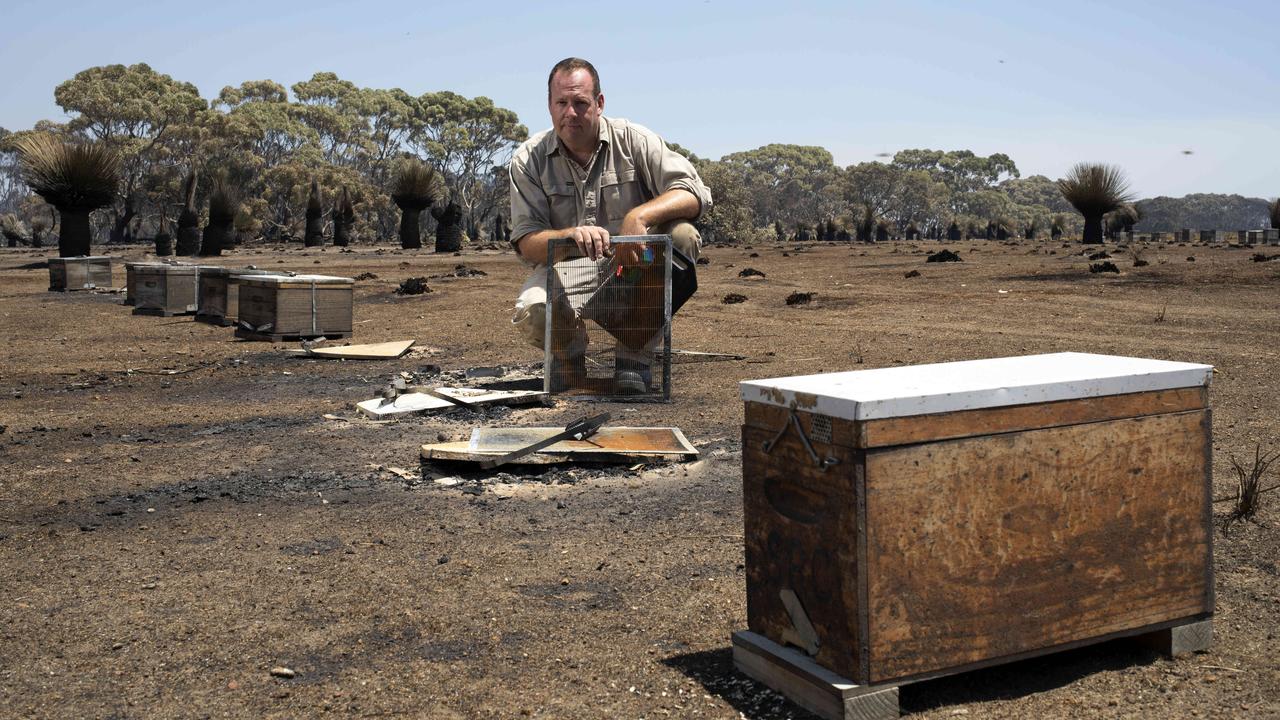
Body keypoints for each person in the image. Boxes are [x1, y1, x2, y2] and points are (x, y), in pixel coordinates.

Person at [508, 57, 712, 394]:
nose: (570, 112)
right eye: (561, 103)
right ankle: (569, 358)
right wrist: (569, 235)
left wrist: (640, 217)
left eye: (580, 103)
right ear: (549, 105)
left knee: (682, 236)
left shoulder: (633, 140)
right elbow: (527, 243)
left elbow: (695, 194)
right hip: (570, 274)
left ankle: (633, 357)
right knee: (533, 310)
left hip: (631, 269)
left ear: (599, 103)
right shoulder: (528, 160)